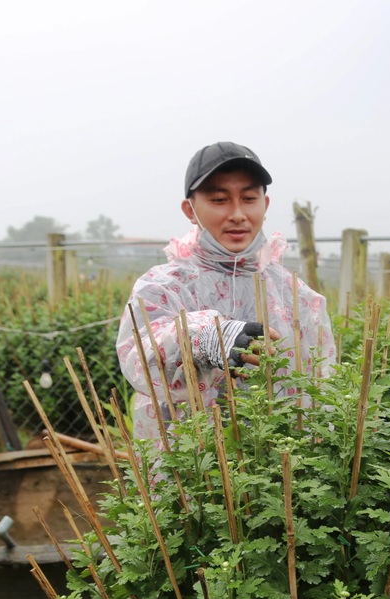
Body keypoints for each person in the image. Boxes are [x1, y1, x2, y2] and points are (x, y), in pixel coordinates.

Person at [116, 141, 335, 444]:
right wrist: (205, 337)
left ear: (265, 205)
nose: (237, 214)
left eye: (248, 199)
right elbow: (139, 357)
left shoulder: (296, 295)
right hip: (192, 464)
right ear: (189, 210)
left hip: (279, 466)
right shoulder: (163, 286)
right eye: (219, 200)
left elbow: (321, 384)